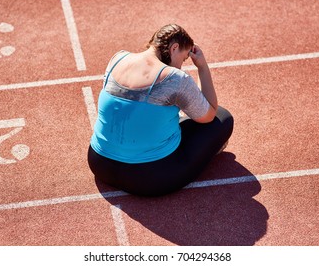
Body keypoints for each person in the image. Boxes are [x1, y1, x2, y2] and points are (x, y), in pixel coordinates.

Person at [88, 24, 234, 197]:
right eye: (184, 58)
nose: (181, 66)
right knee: (222, 119)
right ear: (174, 48)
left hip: (100, 163)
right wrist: (202, 66)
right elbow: (209, 114)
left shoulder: (117, 59)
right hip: (150, 178)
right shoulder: (175, 78)